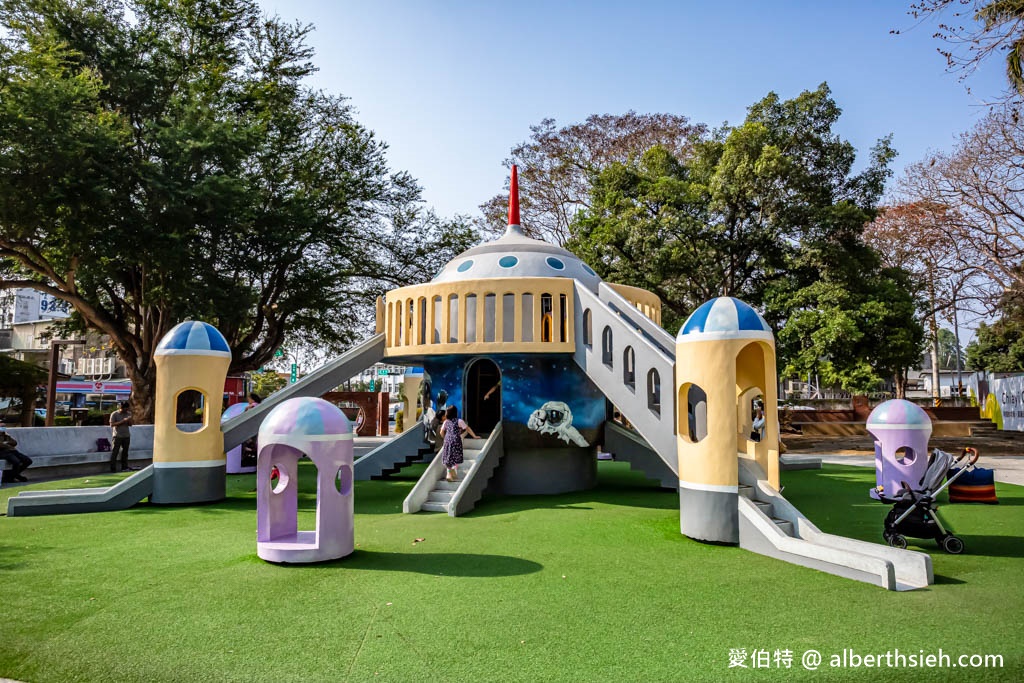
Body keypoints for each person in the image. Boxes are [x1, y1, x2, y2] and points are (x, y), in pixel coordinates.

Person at [439, 405, 478, 482]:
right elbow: (467, 428)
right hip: (456, 440)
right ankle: (453, 469)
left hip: (447, 440)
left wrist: (445, 438)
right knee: (456, 456)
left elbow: (441, 432)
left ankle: (449, 473)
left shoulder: (446, 422)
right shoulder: (459, 421)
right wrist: (474, 436)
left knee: (448, 457)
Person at [109, 401, 137, 472]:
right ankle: (113, 468)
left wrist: (129, 420)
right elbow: (112, 424)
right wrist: (123, 421)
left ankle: (124, 467)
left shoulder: (128, 414)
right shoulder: (114, 414)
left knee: (125, 452)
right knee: (115, 452)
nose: (126, 410)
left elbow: (130, 425)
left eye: (127, 409)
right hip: (117, 436)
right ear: (121, 408)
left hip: (126, 435)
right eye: (124, 409)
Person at [241, 393, 262, 467]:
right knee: (254, 442)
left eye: (249, 399)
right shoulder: (257, 405)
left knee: (251, 441)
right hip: (254, 427)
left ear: (252, 399)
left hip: (252, 427)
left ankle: (251, 451)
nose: (248, 400)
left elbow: (247, 411)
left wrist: (246, 408)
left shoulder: (253, 405)